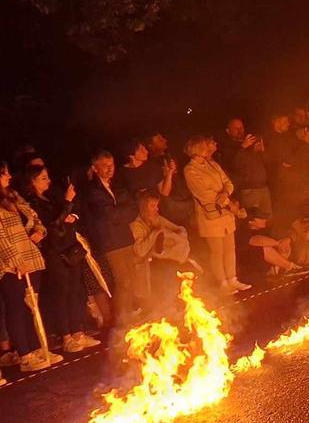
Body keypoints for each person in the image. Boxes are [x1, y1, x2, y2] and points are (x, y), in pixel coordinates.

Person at [22, 165, 99, 354]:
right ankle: (66, 337)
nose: (48, 181)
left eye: (48, 177)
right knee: (62, 293)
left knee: (75, 290)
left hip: (70, 248)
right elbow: (52, 224)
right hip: (54, 252)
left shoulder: (51, 197)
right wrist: (66, 203)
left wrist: (71, 212)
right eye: (43, 178)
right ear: (32, 181)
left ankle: (78, 332)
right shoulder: (32, 204)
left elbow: (67, 214)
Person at [0, 161, 63, 373]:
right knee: (16, 308)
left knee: (32, 306)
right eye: (5, 173)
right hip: (10, 265)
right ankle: (24, 354)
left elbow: (33, 217)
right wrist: (16, 261)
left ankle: (37, 348)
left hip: (30, 256)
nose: (9, 177)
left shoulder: (13, 196)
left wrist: (39, 231)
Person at [183, 136, 250, 295]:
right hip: (211, 215)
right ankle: (223, 282)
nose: (208, 149)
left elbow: (228, 183)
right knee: (217, 250)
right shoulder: (190, 170)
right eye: (204, 146)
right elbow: (204, 193)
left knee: (230, 248)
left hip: (226, 213)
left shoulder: (213, 164)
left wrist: (226, 193)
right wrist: (228, 203)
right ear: (196, 149)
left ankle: (233, 279)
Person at [85, 150, 146, 323]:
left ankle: (129, 311)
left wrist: (125, 211)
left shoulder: (114, 185)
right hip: (111, 242)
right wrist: (126, 211)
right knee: (123, 280)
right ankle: (122, 316)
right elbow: (110, 215)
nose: (109, 169)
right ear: (94, 168)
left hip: (124, 238)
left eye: (111, 165)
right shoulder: (93, 190)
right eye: (104, 166)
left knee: (131, 278)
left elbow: (131, 208)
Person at [131, 189, 197, 298]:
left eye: (157, 205)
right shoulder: (137, 225)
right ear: (143, 207)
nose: (157, 209)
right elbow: (140, 251)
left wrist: (174, 236)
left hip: (169, 257)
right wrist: (155, 233)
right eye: (153, 206)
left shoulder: (158, 218)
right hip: (151, 264)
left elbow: (179, 230)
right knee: (165, 277)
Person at [220, 118, 273, 219]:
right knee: (252, 220)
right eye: (236, 128)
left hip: (263, 188)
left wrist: (262, 151)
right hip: (248, 190)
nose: (240, 130)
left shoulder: (251, 143)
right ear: (228, 131)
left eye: (241, 127)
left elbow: (268, 162)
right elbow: (233, 165)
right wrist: (242, 147)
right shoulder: (227, 147)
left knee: (267, 220)